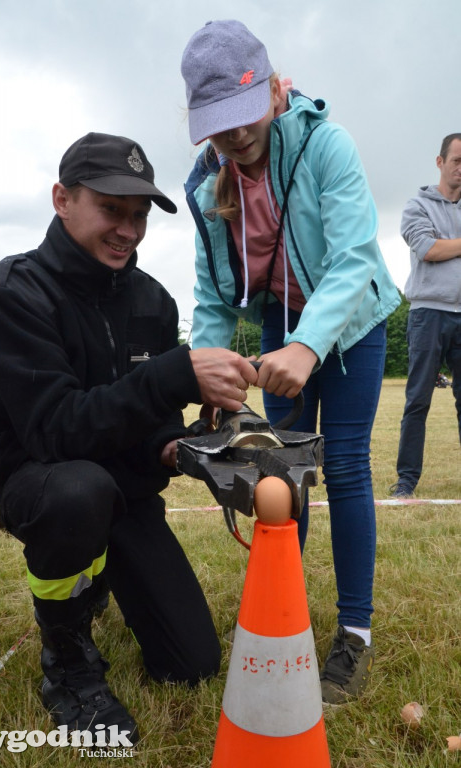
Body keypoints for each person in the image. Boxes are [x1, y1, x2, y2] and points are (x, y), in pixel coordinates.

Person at [0, 132, 258, 742]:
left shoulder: (152, 300)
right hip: (42, 484)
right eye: (111, 209)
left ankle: (97, 578)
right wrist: (175, 373)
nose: (128, 230)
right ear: (62, 199)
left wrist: (186, 448)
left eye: (139, 216)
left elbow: (145, 424)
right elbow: (54, 430)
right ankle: (68, 658)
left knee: (192, 664)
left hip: (125, 497)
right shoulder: (12, 293)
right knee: (79, 490)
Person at [180, 20, 401, 705]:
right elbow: (215, 298)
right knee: (284, 471)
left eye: (245, 115)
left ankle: (355, 633)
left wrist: (308, 346)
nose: (235, 135)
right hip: (280, 324)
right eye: (218, 124)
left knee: (341, 462)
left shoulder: (326, 146)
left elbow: (354, 258)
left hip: (352, 318)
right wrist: (205, 370)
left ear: (275, 91)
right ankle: (286, 610)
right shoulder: (206, 186)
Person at [390, 133, 461, 498]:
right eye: (456, 161)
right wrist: (447, 246)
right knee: (418, 399)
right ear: (440, 162)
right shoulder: (417, 205)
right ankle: (406, 482)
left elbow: (441, 246)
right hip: (428, 313)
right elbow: (427, 248)